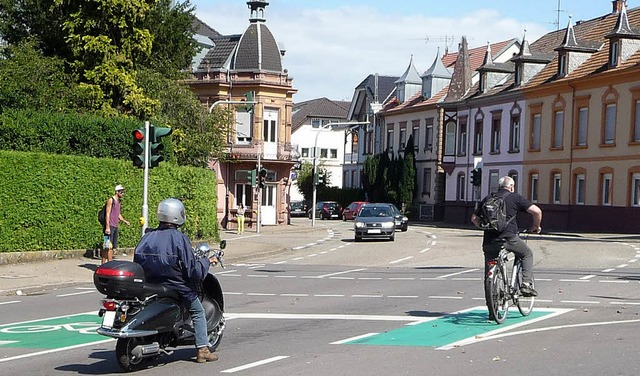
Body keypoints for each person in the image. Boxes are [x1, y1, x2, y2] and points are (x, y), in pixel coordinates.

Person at [133, 198, 220, 363]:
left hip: (151, 286)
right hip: (176, 286)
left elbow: (137, 261)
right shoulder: (179, 239)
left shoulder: (148, 235)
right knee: (198, 311)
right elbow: (192, 270)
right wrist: (207, 262)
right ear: (177, 216)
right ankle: (203, 349)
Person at [471, 176, 542, 301]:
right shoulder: (515, 198)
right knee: (527, 254)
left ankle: (491, 309)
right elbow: (537, 211)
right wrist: (536, 227)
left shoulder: (489, 198)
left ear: (499, 187)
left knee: (489, 272)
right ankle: (525, 284)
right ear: (511, 187)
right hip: (508, 238)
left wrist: (485, 227)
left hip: (489, 241)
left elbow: (474, 218)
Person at [102, 184, 130, 264]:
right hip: (109, 227)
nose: (123, 193)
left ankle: (104, 265)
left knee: (110, 247)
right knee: (107, 247)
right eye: (121, 192)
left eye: (123, 192)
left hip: (115, 226)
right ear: (117, 192)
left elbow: (118, 214)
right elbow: (107, 214)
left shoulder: (119, 202)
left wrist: (125, 221)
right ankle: (107, 265)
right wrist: (107, 227)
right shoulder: (111, 200)